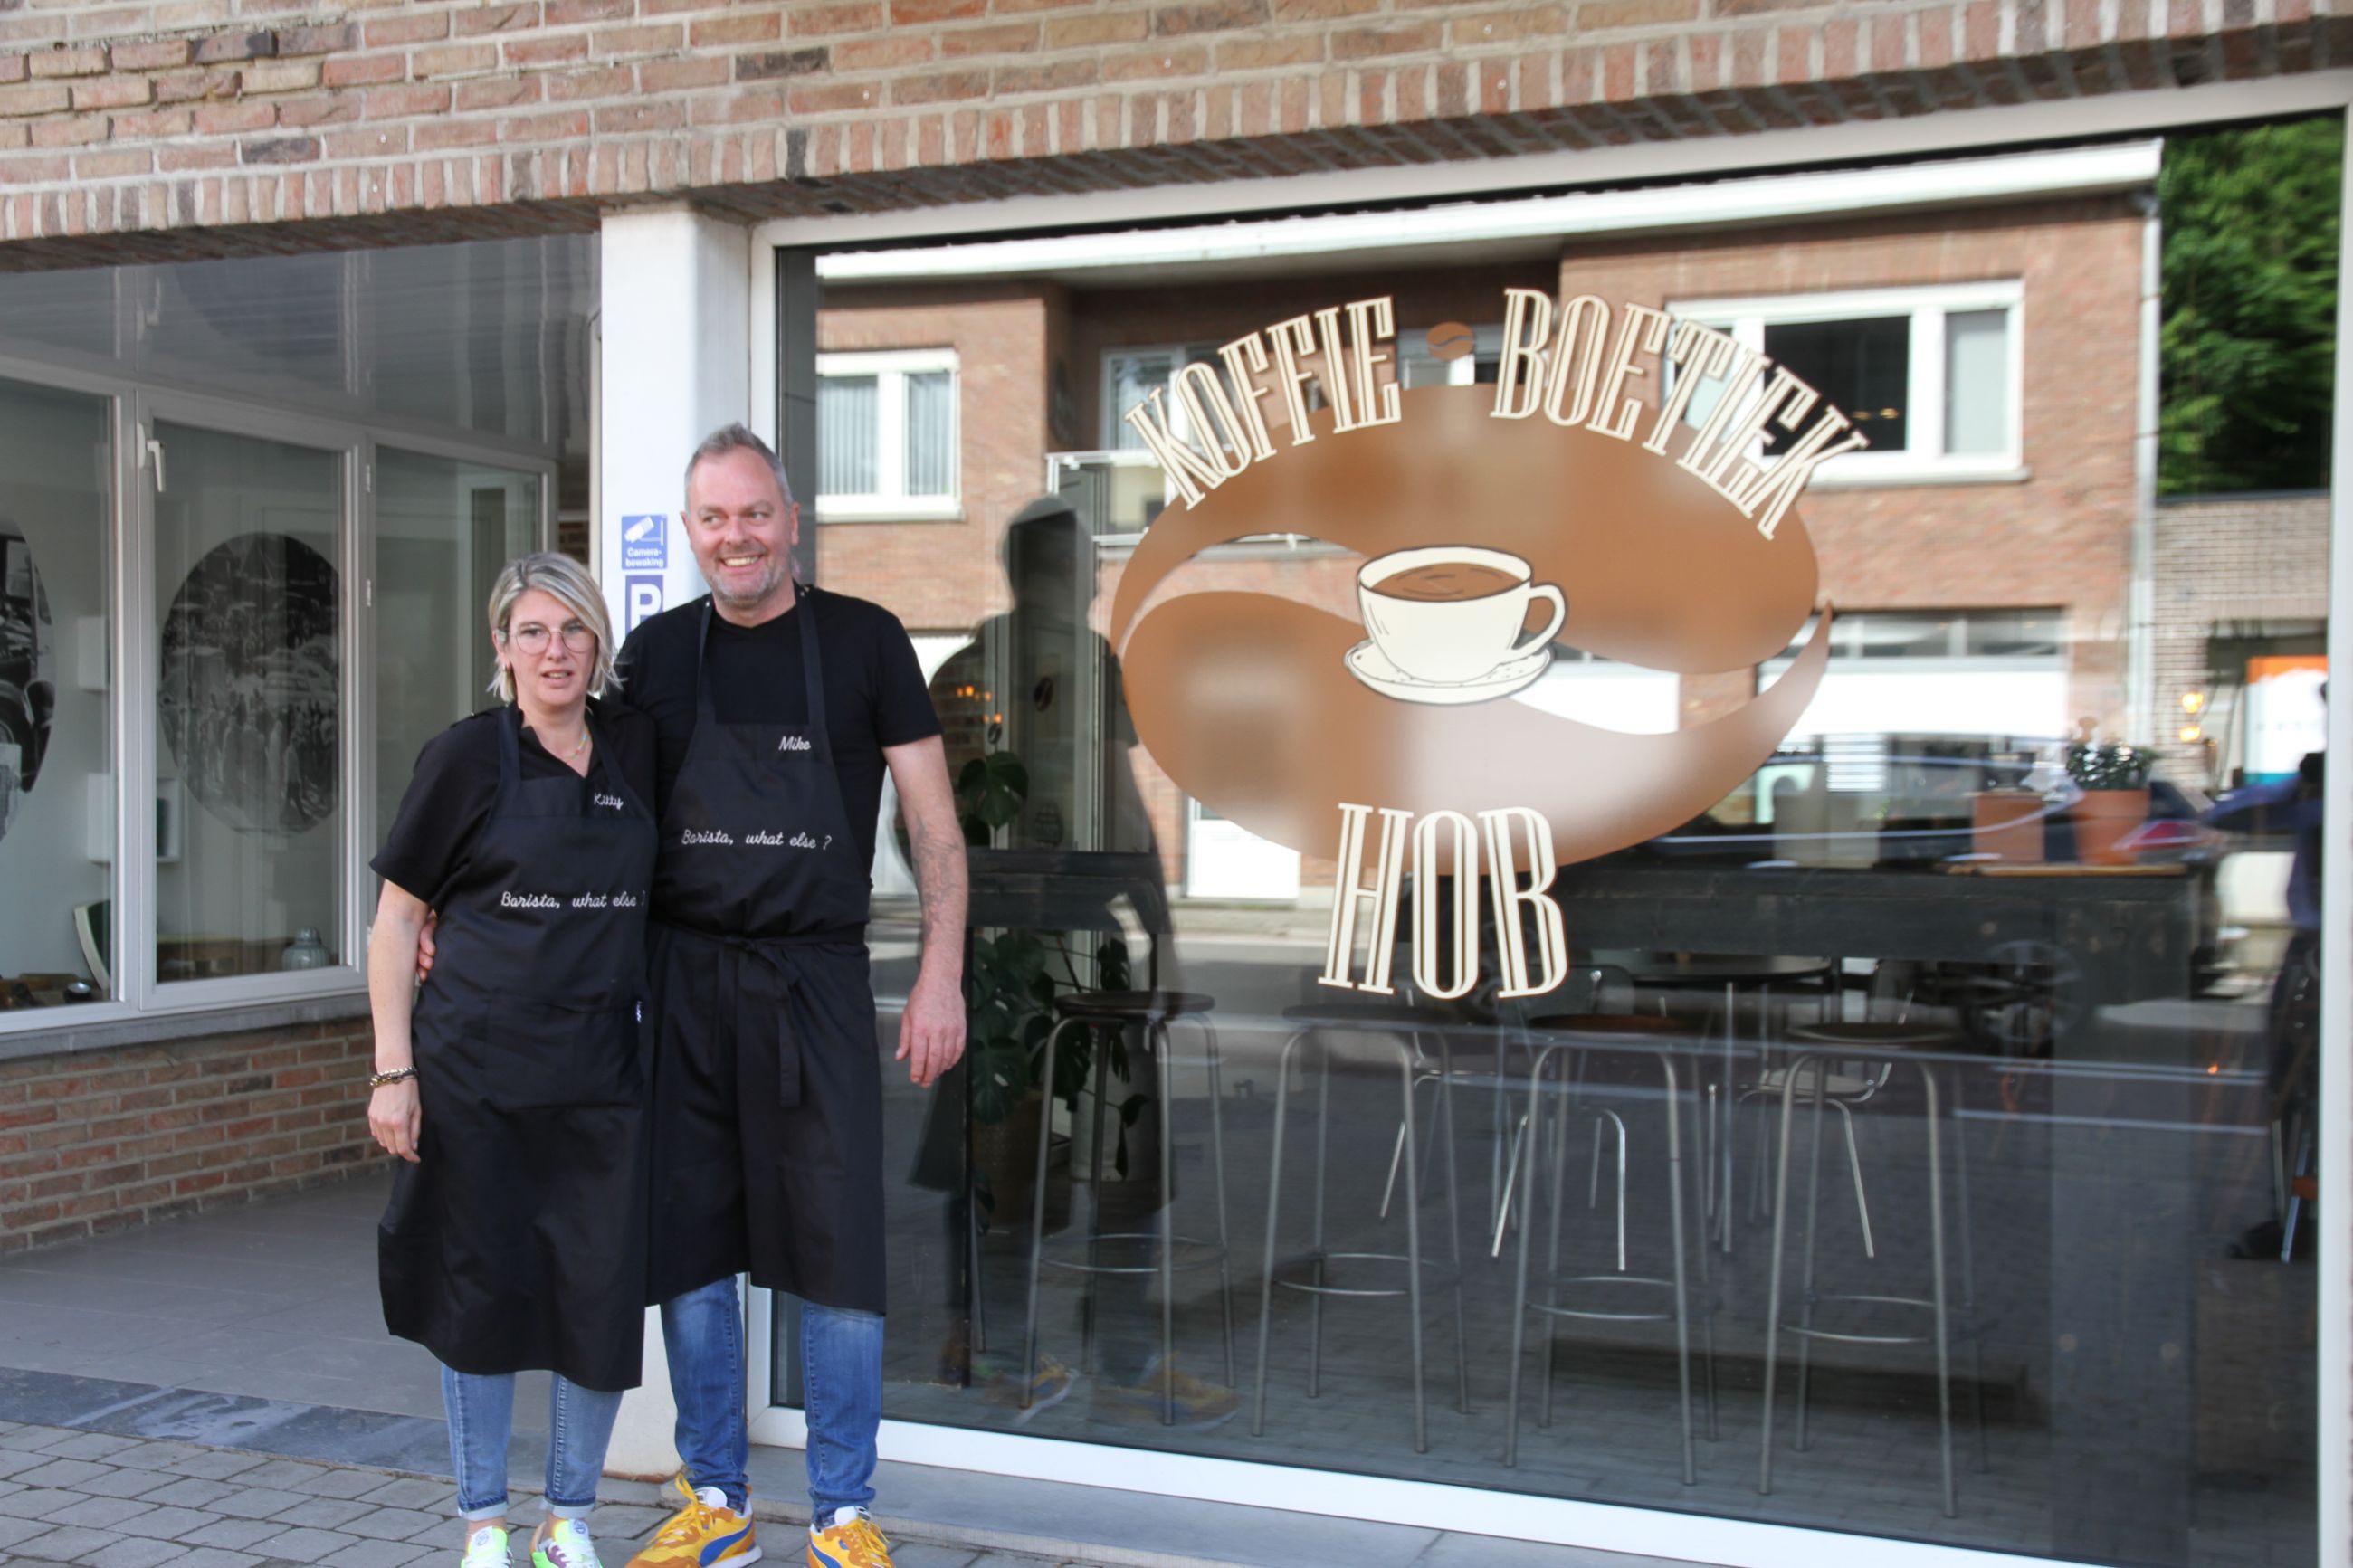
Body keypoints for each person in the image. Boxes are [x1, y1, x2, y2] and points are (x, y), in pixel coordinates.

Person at [619, 425, 967, 1568]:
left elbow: (932, 826)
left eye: (754, 513)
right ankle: (715, 1499)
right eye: (713, 519)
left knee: (836, 1245)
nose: (736, 537)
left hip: (815, 976)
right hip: (683, 974)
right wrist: (451, 922)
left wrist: (938, 973)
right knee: (691, 1242)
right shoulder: (656, 655)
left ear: (790, 519)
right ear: (690, 532)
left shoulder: (864, 641)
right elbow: (586, 817)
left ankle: (840, 1512)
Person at [367, 552, 659, 1568]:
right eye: (532, 630)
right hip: (474, 1072)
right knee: (479, 1295)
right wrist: (392, 1070)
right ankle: (485, 1520)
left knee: (597, 1297)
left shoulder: (635, 747)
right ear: (500, 646)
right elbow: (397, 921)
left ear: (598, 642)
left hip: (600, 1072)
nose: (555, 650)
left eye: (573, 629)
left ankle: (567, 1519)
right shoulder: (465, 757)